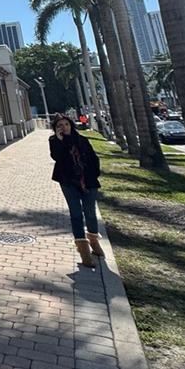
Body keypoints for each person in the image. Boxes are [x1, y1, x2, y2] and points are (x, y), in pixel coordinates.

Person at [49, 113, 104, 268]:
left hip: (88, 181)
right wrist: (60, 141)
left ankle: (94, 240)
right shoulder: (54, 141)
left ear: (71, 125)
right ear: (56, 128)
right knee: (76, 214)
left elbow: (93, 158)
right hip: (68, 182)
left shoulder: (82, 140)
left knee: (90, 212)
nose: (64, 127)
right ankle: (83, 250)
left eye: (66, 124)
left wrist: (93, 175)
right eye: (60, 125)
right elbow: (56, 157)